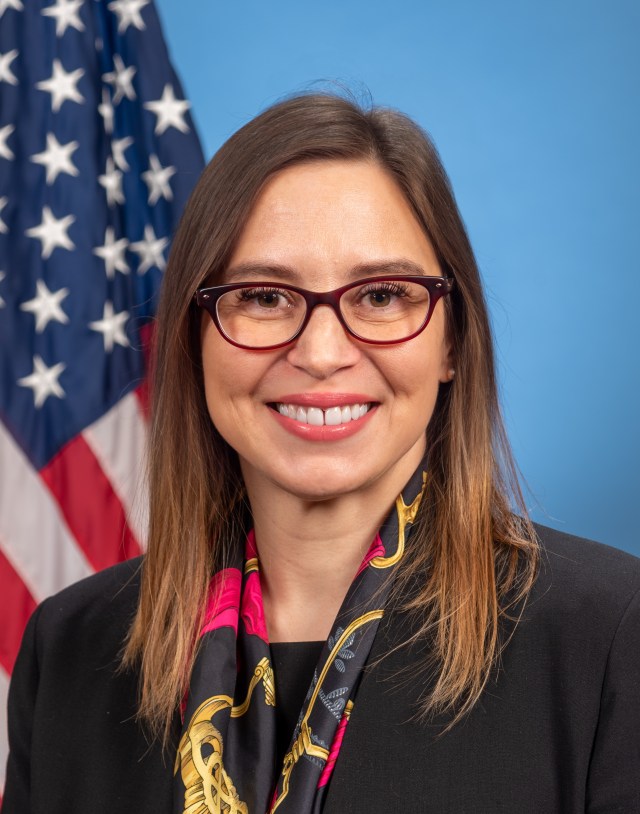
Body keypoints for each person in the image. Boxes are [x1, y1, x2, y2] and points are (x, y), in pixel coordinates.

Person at [3, 93, 639, 814]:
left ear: (453, 341)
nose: (322, 353)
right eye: (265, 297)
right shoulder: (69, 651)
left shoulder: (610, 637)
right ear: (194, 339)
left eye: (382, 295)